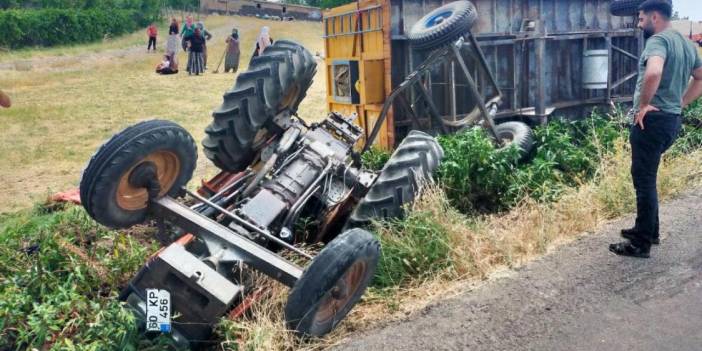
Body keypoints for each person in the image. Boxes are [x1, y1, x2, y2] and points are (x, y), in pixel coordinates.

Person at [609, 0, 702, 258]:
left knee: (644, 180)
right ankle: (649, 229)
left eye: (641, 19)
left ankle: (641, 244)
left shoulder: (658, 41)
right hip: (671, 119)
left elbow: (653, 73)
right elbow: (701, 76)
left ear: (655, 17)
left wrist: (644, 105)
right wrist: (681, 103)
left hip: (652, 121)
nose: (639, 24)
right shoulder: (686, 43)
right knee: (648, 177)